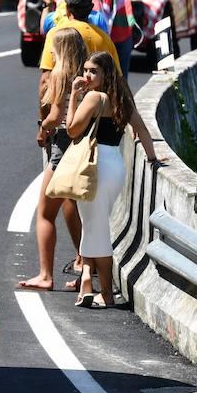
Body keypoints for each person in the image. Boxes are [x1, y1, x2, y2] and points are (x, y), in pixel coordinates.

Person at [65, 50, 159, 307]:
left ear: (105, 74)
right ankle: (86, 280)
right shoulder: (122, 98)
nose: (87, 75)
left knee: (97, 230)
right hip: (114, 166)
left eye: (93, 71)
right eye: (85, 70)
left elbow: (72, 129)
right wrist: (153, 158)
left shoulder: (93, 98)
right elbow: (141, 129)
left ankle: (106, 293)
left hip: (93, 166)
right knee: (93, 225)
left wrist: (73, 96)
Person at [21, 27, 90, 292]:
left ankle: (45, 275)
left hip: (62, 145)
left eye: (54, 47)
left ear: (62, 50)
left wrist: (43, 128)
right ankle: (85, 269)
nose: (50, 50)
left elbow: (56, 116)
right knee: (83, 213)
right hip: (84, 145)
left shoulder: (61, 75)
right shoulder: (86, 76)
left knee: (45, 213)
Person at [38, 0, 120, 77]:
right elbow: (116, 76)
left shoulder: (55, 34)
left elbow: (46, 78)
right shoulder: (105, 38)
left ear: (67, 10)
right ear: (91, 8)